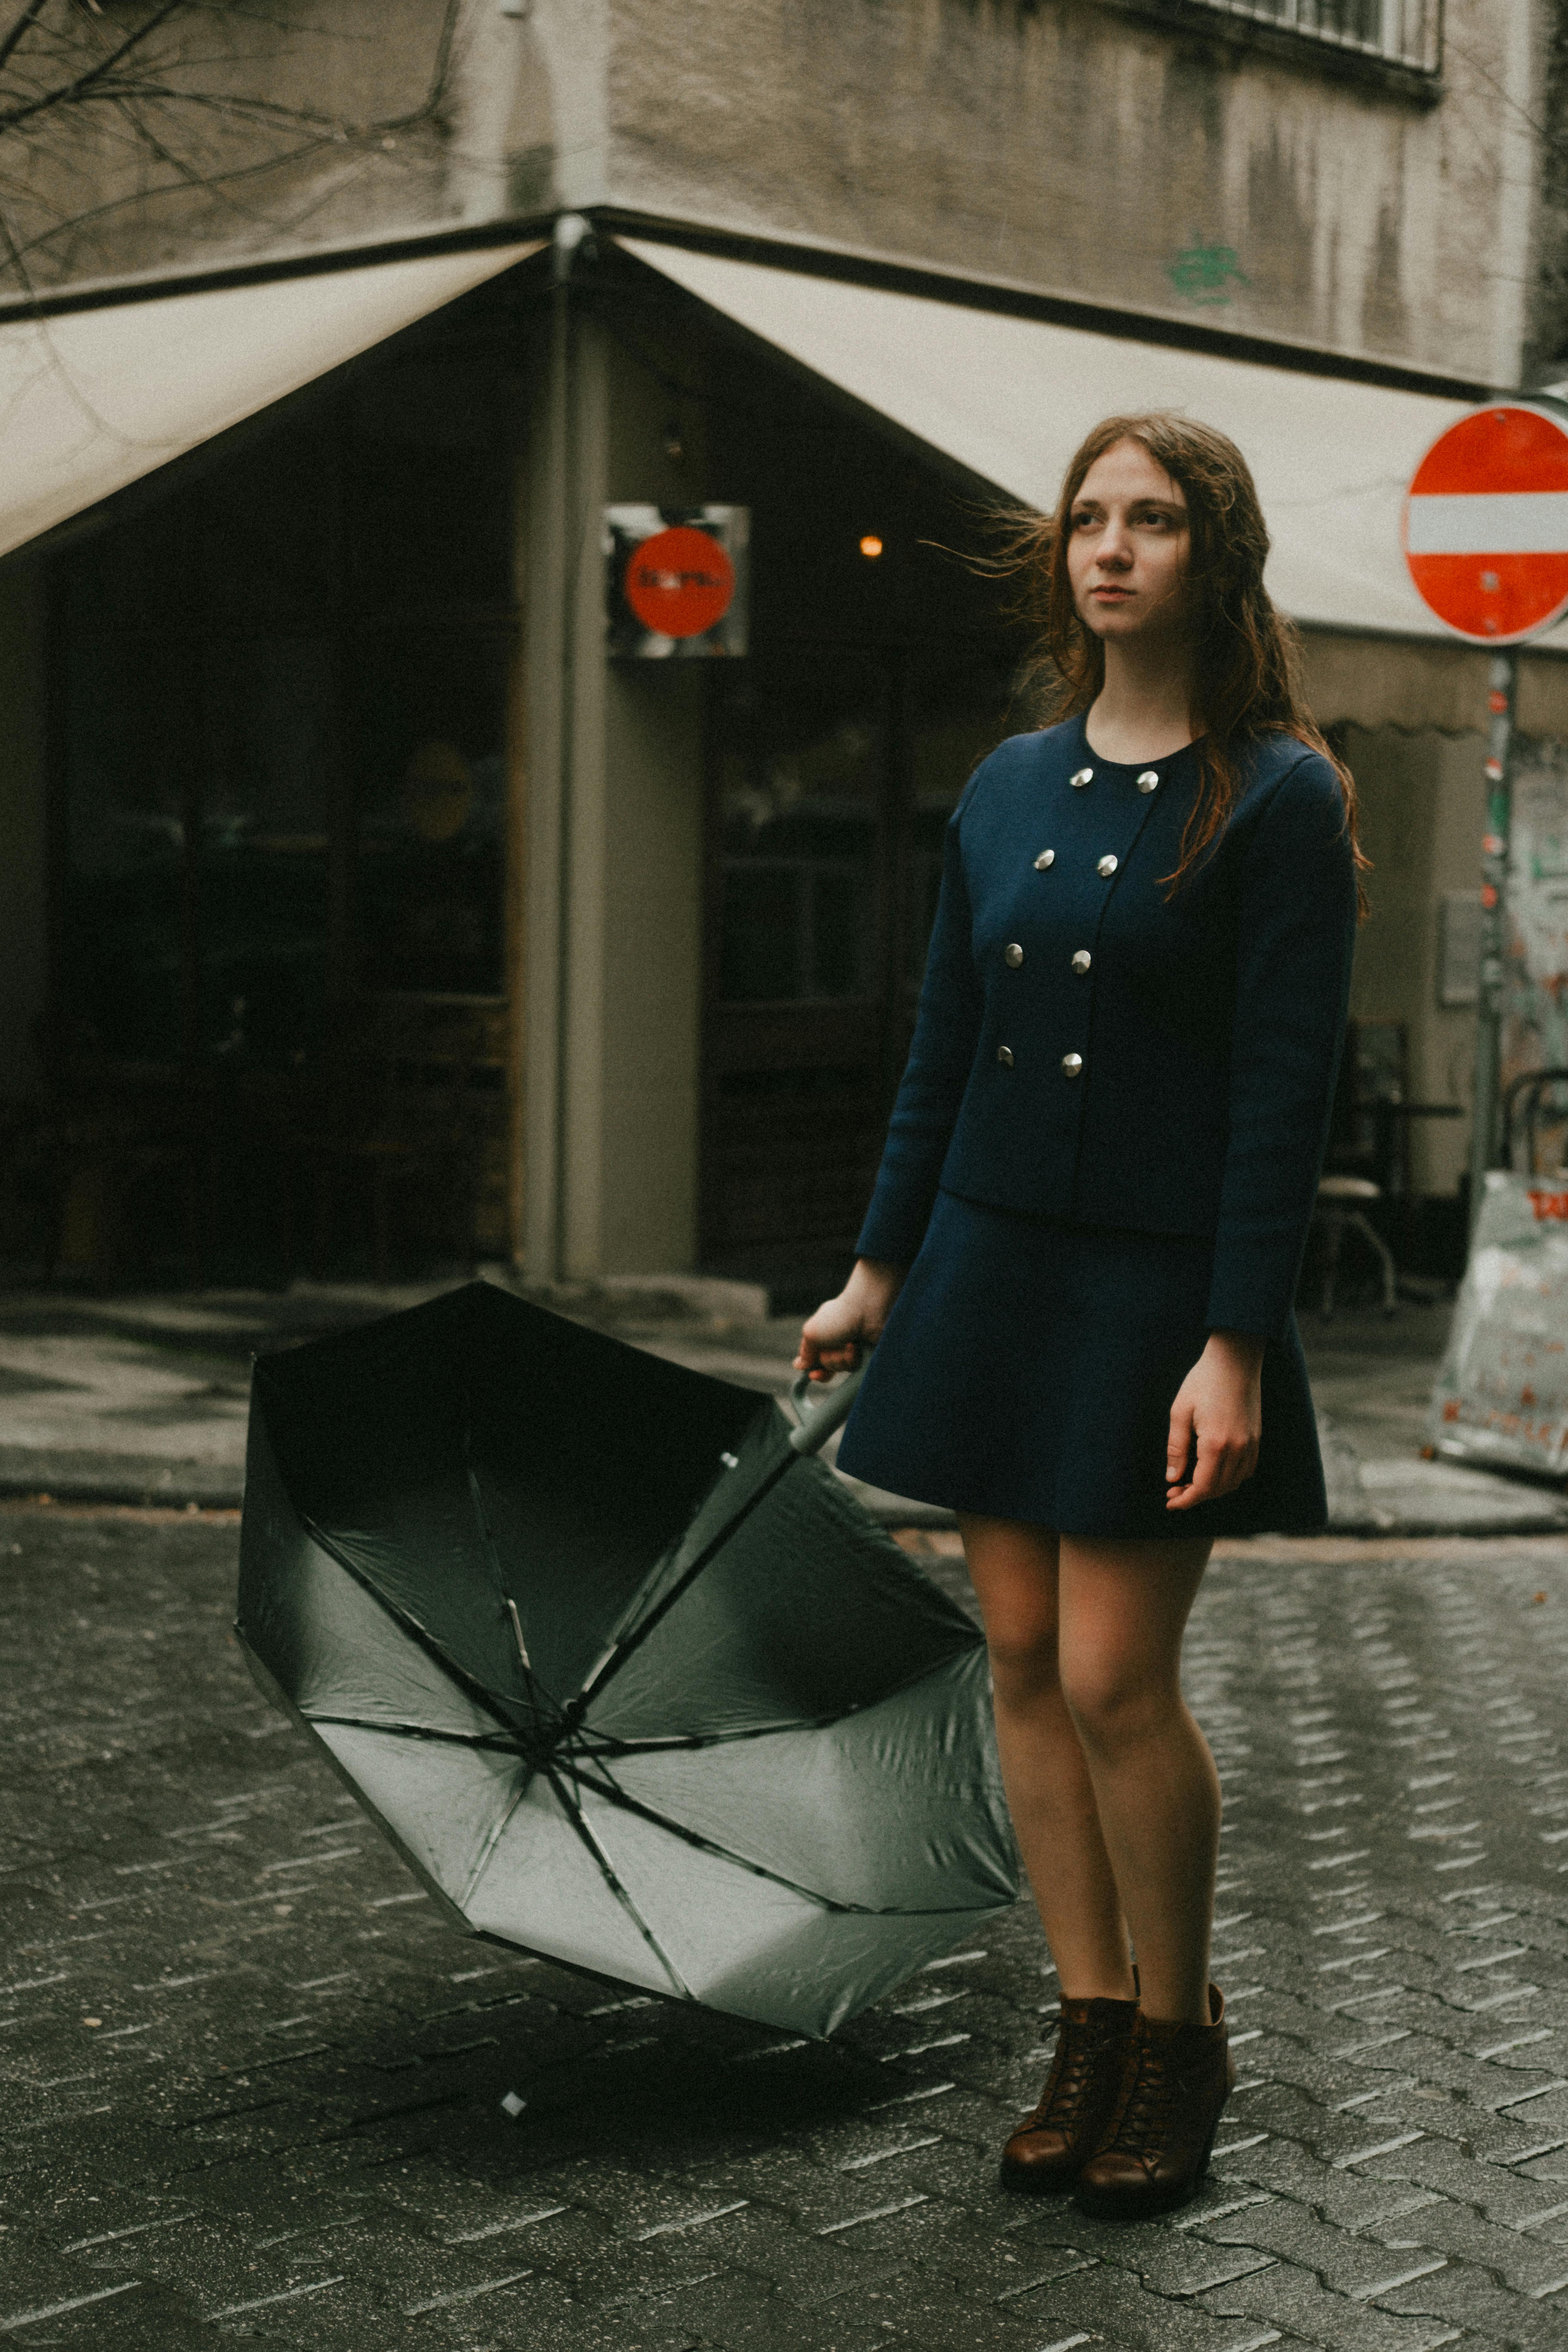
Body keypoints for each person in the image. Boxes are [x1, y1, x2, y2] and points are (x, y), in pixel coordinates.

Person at [795, 413, 1361, 2222]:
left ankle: (1182, 2035)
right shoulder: (1005, 784)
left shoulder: (1278, 795)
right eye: (1091, 520)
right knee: (1022, 1668)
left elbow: (1286, 1095)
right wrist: (877, 1270)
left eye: (1155, 521)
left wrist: (1234, 1339)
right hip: (987, 1269)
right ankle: (1090, 2020)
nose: (1113, 547)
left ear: (1217, 554)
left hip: (1150, 1294)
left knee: (1121, 1678)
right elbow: (942, 1049)